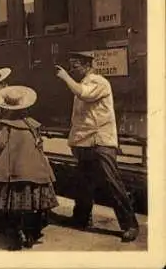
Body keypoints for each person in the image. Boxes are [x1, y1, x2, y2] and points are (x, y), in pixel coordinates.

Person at [55, 52, 139, 242]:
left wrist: (65, 78)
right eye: (69, 67)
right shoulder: (82, 84)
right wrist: (74, 141)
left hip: (101, 141)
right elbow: (80, 118)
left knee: (112, 183)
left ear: (87, 65)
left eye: (74, 66)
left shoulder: (98, 82)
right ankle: (81, 219)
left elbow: (84, 94)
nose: (70, 70)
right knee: (83, 183)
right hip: (85, 142)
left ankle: (130, 225)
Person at [0, 86, 59, 250]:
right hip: (36, 171)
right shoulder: (33, 125)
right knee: (33, 207)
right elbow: (40, 144)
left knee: (15, 207)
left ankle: (17, 233)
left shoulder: (6, 125)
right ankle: (31, 233)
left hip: (15, 171)